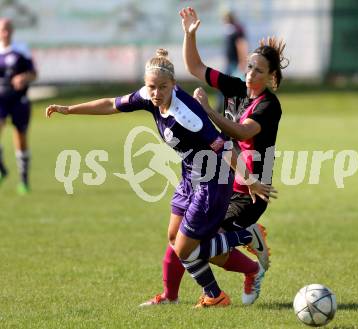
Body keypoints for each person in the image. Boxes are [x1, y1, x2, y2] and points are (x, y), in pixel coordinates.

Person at [46, 49, 275, 308]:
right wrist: (69, 109)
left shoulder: (186, 115)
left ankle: (242, 240)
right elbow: (111, 104)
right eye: (151, 87)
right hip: (190, 175)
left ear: (173, 85)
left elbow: (223, 146)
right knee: (173, 236)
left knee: (186, 249)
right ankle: (179, 296)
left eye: (162, 88)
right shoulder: (149, 96)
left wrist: (249, 181)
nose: (155, 93)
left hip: (212, 182)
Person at [139, 7, 288, 307]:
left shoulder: (269, 106)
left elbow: (242, 132)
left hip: (250, 188)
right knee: (182, 235)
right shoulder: (237, 87)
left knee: (199, 244)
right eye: (249, 67)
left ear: (272, 77)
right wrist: (188, 35)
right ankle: (171, 295)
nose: (250, 74)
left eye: (258, 71)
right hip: (221, 177)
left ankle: (247, 239)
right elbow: (195, 67)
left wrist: (206, 110)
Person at [0, 18, 37, 194]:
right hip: (0, 100)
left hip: (18, 99)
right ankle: (2, 169)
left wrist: (24, 78)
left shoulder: (21, 50)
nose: (5, 33)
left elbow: (34, 73)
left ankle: (24, 181)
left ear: (12, 31)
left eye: (7, 29)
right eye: (2, 29)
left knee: (20, 139)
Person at [216, 10, 248, 112]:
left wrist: (242, 61)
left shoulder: (236, 29)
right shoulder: (229, 29)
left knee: (232, 85)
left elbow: (241, 45)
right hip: (230, 62)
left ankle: (235, 107)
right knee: (223, 84)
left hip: (235, 62)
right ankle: (222, 105)